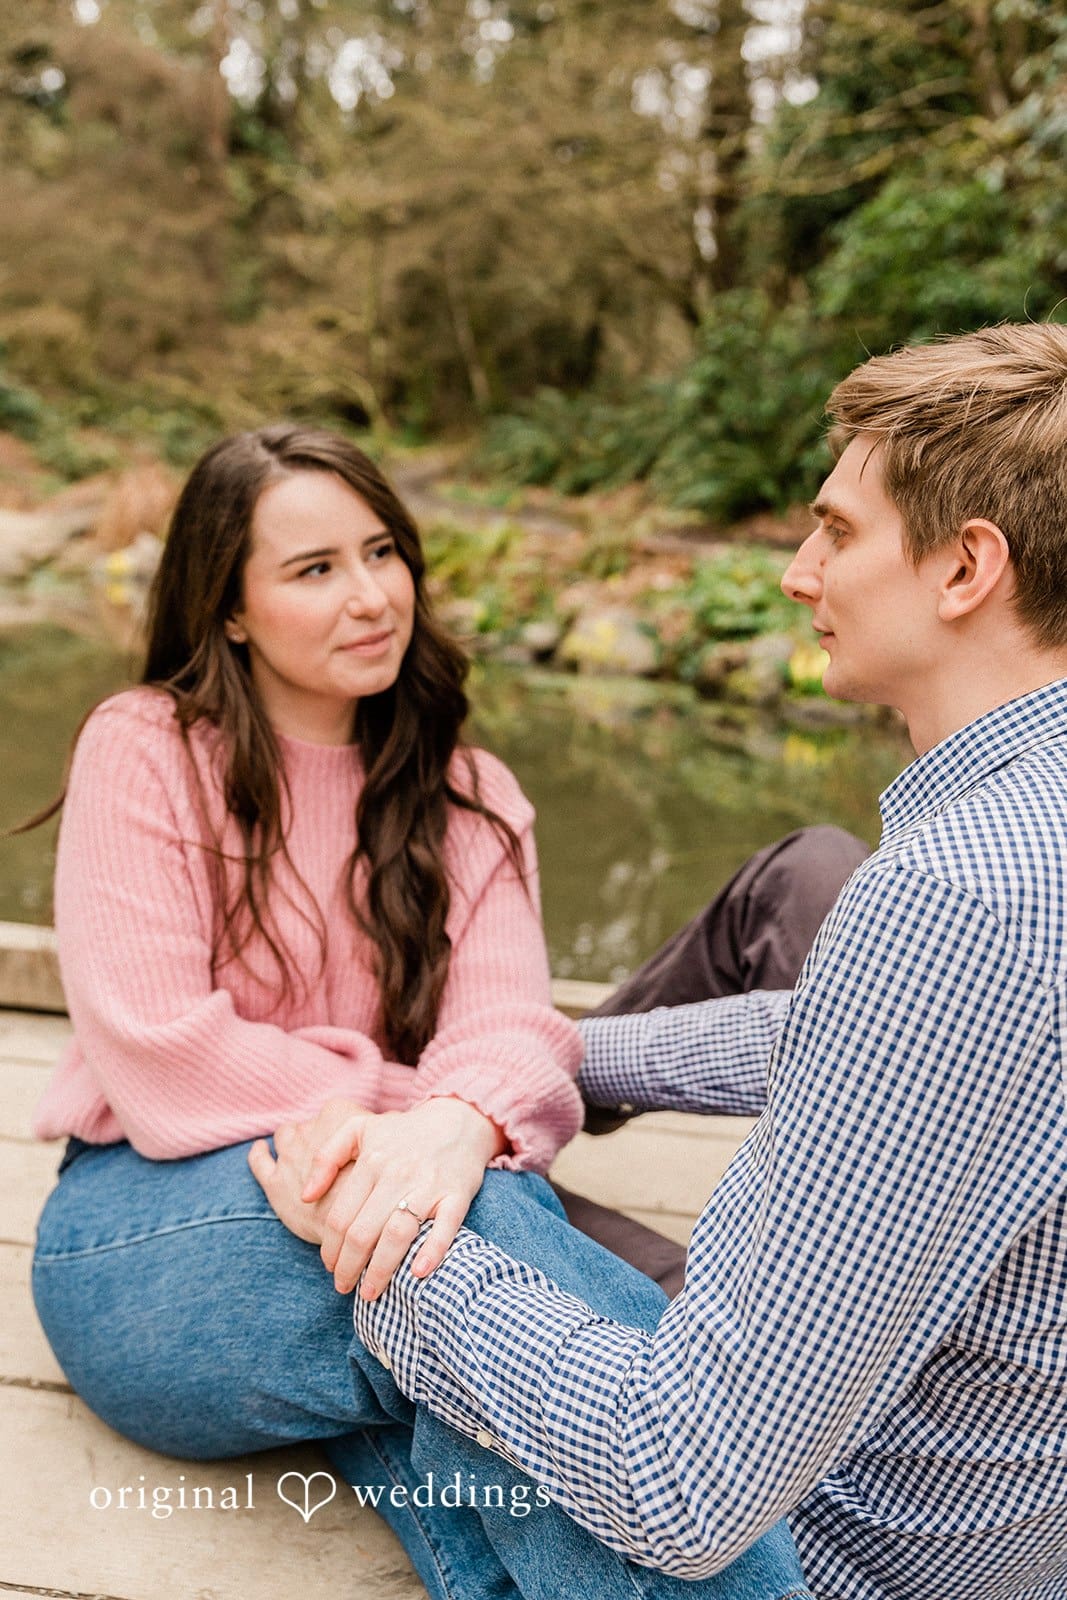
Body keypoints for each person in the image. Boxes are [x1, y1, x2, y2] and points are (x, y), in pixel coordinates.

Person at [255, 323, 1067, 1600]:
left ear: (966, 566)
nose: (798, 572)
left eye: (836, 532)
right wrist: (515, 1068)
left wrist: (386, 1247)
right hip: (992, 1519)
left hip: (849, 1550)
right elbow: (847, 1033)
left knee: (359, 1275)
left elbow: (678, 1479)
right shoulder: (1020, 838)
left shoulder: (950, 895)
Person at [29, 424, 820, 1600]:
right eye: (313, 569)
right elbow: (164, 1058)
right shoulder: (148, 748)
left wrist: (454, 1122)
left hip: (376, 1232)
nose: (369, 596)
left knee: (470, 1414)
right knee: (475, 1233)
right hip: (153, 1227)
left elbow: (506, 1034)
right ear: (229, 607)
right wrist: (433, 1117)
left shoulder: (470, 794)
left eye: (382, 551)